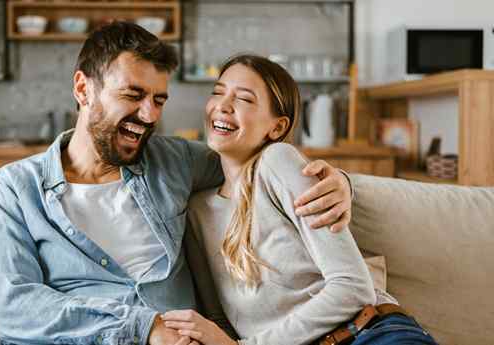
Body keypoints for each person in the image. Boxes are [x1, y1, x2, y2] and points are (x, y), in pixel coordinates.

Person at [0, 23, 353, 345]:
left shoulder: (174, 161)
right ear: (83, 89)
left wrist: (339, 182)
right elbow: (13, 305)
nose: (149, 115)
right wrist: (143, 328)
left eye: (159, 100)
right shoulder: (16, 189)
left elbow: (254, 158)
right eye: (133, 95)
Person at [161, 55, 439, 345]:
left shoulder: (276, 162)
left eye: (243, 99)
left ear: (277, 128)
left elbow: (354, 288)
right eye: (217, 92)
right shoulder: (196, 211)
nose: (222, 105)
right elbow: (221, 322)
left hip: (368, 335)